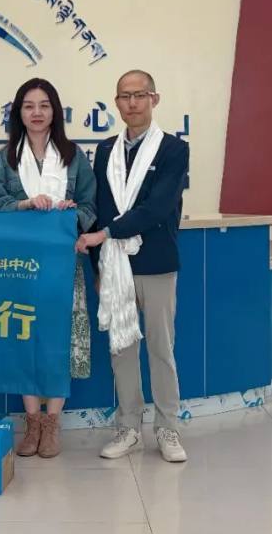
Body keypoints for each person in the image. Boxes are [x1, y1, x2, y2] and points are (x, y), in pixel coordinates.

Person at [75, 69, 189, 463]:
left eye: (140, 95)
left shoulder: (173, 150)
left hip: (157, 263)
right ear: (117, 103)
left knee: (161, 348)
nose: (132, 103)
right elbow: (99, 209)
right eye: (125, 96)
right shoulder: (105, 150)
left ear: (154, 99)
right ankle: (129, 428)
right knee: (121, 349)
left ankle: (168, 428)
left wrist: (105, 235)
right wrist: (98, 267)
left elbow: (157, 208)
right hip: (115, 266)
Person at [0, 78, 97, 459]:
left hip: (62, 264)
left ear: (54, 111)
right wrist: (25, 205)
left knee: (56, 341)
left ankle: (52, 423)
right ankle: (31, 422)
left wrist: (71, 212)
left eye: (44, 105)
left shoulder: (74, 156)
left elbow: (90, 206)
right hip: (18, 266)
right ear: (19, 112)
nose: (36, 113)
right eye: (29, 106)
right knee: (24, 337)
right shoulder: (5, 158)